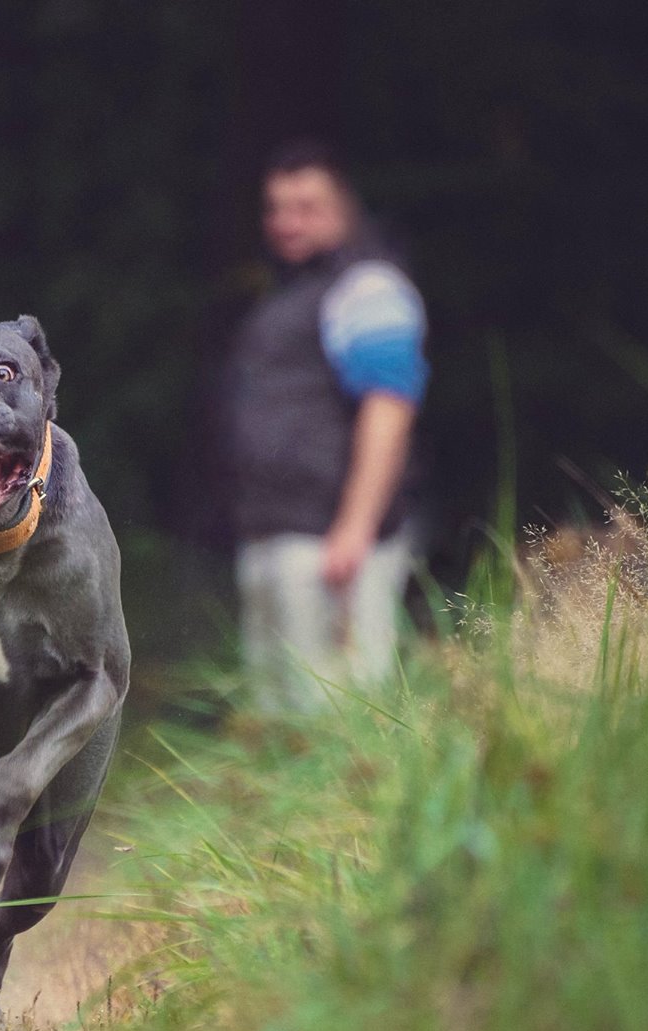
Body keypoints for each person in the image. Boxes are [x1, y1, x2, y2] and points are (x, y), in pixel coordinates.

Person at [223, 140, 428, 713]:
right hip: (274, 534)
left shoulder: (369, 288)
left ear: (344, 209)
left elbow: (389, 407)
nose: (286, 222)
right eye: (276, 207)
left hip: (332, 543)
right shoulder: (291, 295)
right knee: (277, 722)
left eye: (306, 206)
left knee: (339, 719)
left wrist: (355, 528)